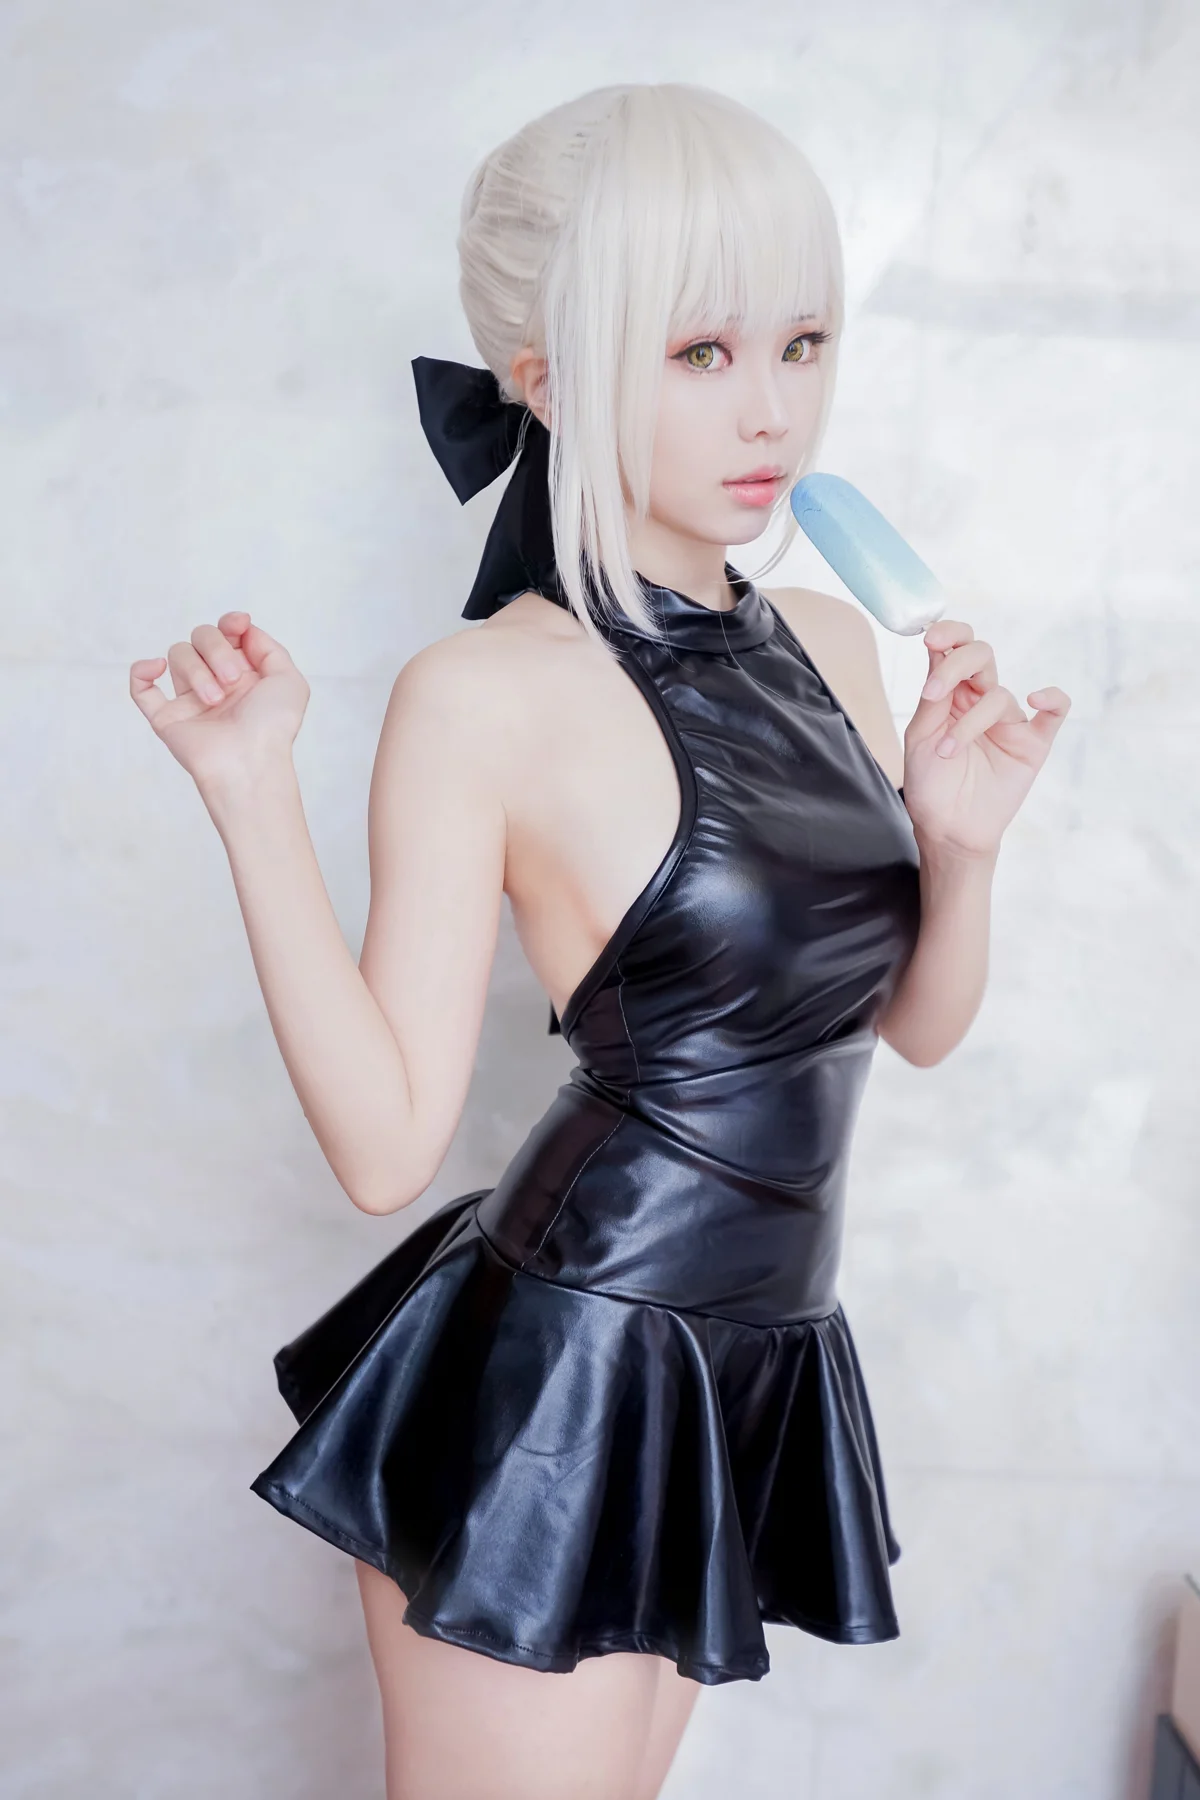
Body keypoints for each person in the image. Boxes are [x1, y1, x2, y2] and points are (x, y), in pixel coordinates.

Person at [128, 82, 1070, 1800]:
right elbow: (385, 1150)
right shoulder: (485, 691)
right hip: (565, 1376)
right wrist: (251, 794)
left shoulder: (832, 642)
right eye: (700, 351)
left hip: (745, 1361)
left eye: (801, 343)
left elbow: (912, 1029)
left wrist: (961, 840)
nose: (772, 407)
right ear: (550, 379)